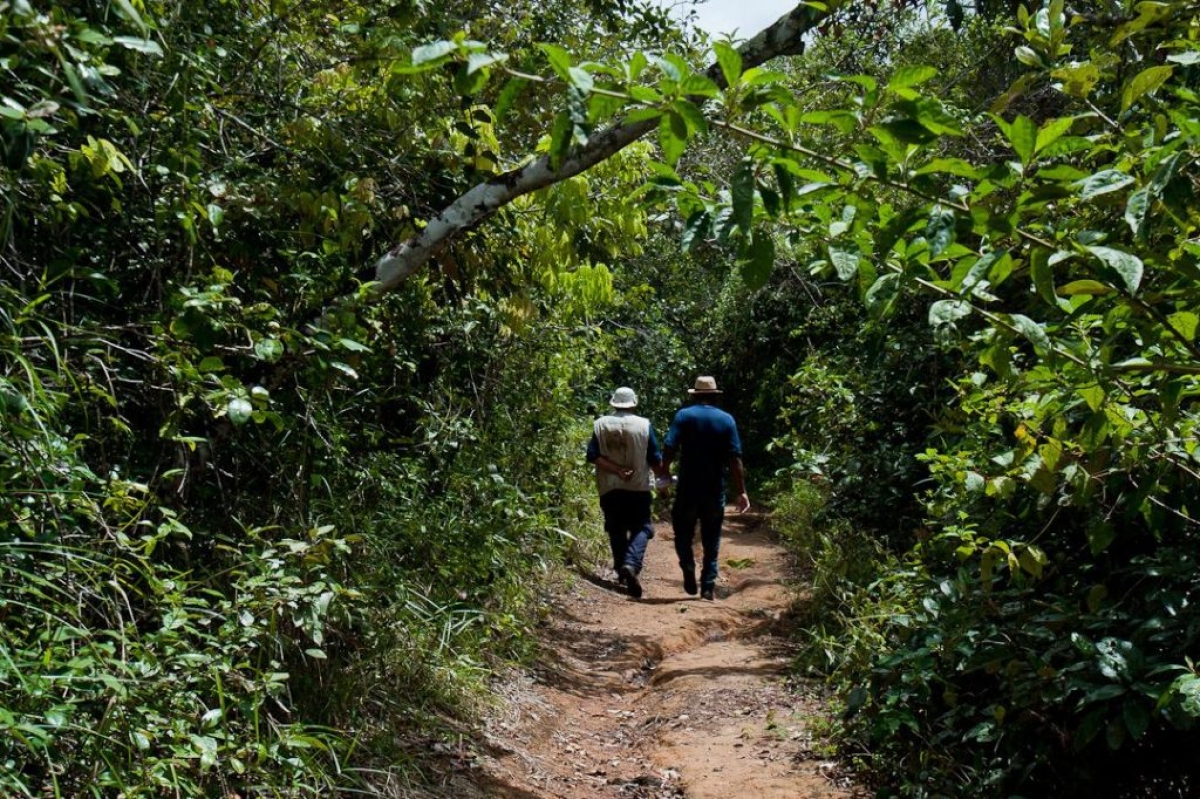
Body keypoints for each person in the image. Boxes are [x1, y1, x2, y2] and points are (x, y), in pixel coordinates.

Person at [660, 376, 750, 601]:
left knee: (682, 532)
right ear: (715, 395)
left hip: (687, 488)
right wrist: (741, 491)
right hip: (714, 489)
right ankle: (708, 585)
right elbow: (735, 459)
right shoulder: (726, 420)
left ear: (695, 395)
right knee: (712, 537)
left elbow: (669, 446)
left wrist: (663, 472)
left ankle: (688, 566)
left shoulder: (684, 416)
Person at [586, 386, 663, 599]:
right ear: (634, 404)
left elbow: (593, 455)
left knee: (616, 527)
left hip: (609, 487)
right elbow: (655, 459)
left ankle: (622, 570)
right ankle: (630, 564)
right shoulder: (644, 425)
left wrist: (617, 470)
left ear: (613, 404)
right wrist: (663, 481)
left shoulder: (600, 424)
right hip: (638, 487)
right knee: (643, 527)